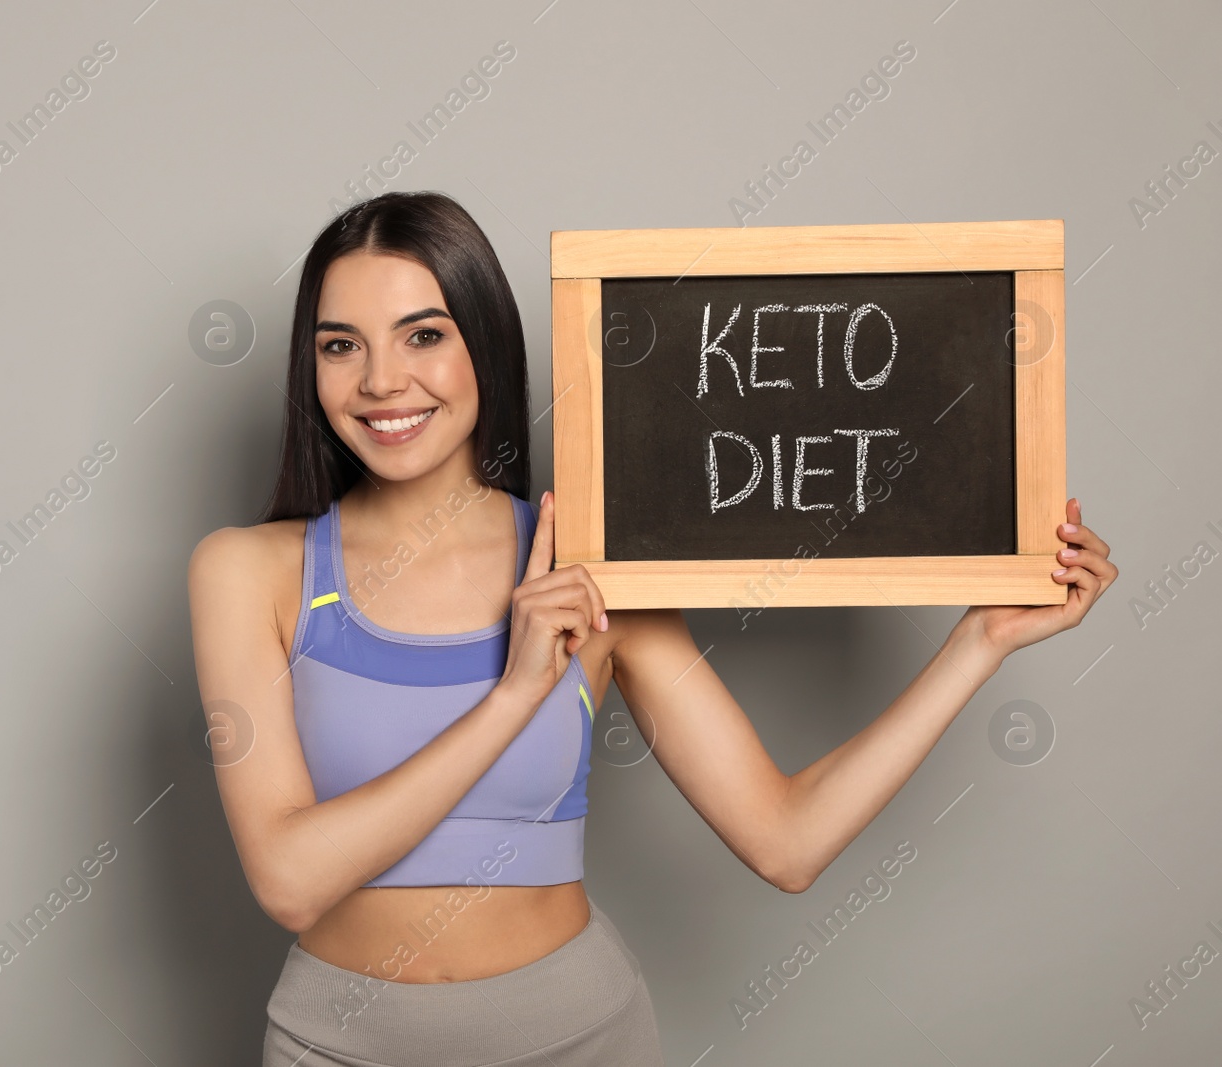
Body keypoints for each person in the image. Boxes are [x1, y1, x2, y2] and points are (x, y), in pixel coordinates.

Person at [186, 190, 1116, 1066]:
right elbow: (290, 880)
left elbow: (786, 840)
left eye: (423, 335)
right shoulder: (249, 572)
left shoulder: (598, 571)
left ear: (487, 346)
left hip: (578, 1040)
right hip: (337, 1046)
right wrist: (513, 697)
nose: (383, 380)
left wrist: (979, 642)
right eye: (340, 345)